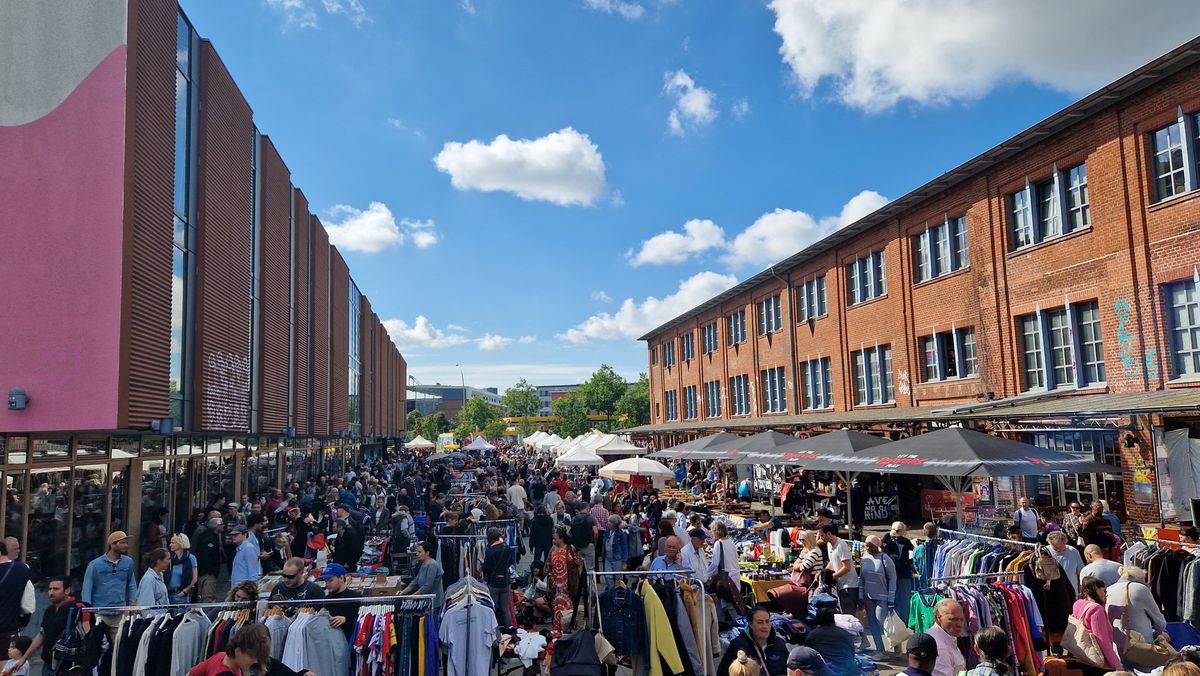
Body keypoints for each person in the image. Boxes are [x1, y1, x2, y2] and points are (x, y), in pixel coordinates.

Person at [82, 531, 136, 676]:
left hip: (120, 612)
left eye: (126, 542)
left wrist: (131, 606)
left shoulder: (128, 562)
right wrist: (89, 613)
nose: (126, 545)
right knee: (96, 648)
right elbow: (87, 590)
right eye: (122, 542)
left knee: (120, 649)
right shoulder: (94, 565)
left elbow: (131, 584)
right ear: (112, 544)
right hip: (100, 613)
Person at [10, 576, 90, 676]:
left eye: (56, 589)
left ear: (67, 590)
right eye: (50, 589)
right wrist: (23, 658)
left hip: (70, 666)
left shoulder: (78, 608)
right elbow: (41, 635)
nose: (51, 592)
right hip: (49, 664)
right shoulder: (50, 610)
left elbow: (88, 635)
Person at [1106, 566, 1169, 666]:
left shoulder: (1108, 590)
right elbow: (1159, 620)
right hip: (1140, 646)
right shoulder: (1140, 589)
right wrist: (1160, 631)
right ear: (1139, 578)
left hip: (1117, 647)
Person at [715, 606, 790, 676]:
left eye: (767, 621)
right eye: (760, 622)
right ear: (750, 624)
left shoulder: (779, 643)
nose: (765, 626)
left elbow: (788, 670)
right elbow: (722, 673)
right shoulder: (738, 644)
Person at [1069, 576, 1120, 672]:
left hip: (1083, 656)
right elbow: (1101, 639)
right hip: (1098, 661)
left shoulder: (1078, 604)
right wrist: (1116, 664)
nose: (1105, 593)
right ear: (1096, 590)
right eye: (1103, 590)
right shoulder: (1097, 609)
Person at [859, 535, 896, 656]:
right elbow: (862, 578)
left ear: (877, 545)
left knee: (883, 624)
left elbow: (892, 579)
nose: (867, 547)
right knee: (872, 624)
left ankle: (897, 647)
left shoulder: (884, 558)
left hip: (882, 598)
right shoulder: (864, 558)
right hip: (868, 597)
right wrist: (860, 595)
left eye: (870, 545)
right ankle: (880, 649)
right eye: (866, 545)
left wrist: (891, 599)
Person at [187, 621, 270, 676]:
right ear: (238, 651)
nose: (255, 661)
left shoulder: (221, 656)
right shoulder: (225, 673)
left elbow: (190, 673)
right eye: (252, 657)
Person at [800, 602, 858, 676]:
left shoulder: (813, 634)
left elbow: (807, 654)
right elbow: (852, 654)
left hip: (825, 671)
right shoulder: (845, 633)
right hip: (848, 670)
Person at [546, 526, 582, 632]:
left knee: (567, 606)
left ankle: (567, 628)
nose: (553, 541)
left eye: (555, 538)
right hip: (555, 584)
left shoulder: (570, 548)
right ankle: (559, 628)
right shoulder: (552, 550)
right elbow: (548, 566)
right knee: (557, 606)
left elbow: (579, 562)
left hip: (568, 583)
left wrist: (579, 578)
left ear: (561, 538)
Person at [818, 525, 859, 615]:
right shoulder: (829, 545)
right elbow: (832, 562)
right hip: (840, 586)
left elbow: (847, 567)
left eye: (822, 535)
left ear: (829, 533)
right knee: (843, 614)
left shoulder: (841, 545)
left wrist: (832, 577)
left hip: (849, 586)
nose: (820, 538)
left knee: (848, 617)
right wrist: (823, 573)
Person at [882, 521, 915, 624]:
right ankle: (904, 623)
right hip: (904, 576)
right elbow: (911, 558)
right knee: (905, 601)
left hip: (890, 575)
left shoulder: (887, 541)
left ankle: (894, 622)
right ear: (902, 531)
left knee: (893, 600)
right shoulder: (906, 542)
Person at [319, 563, 360, 642]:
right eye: (325, 581)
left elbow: (363, 621)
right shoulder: (326, 600)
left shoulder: (356, 598)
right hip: (331, 644)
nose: (327, 584)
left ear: (341, 578)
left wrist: (346, 619)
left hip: (350, 643)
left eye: (330, 580)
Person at [482, 527, 513, 627]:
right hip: (505, 581)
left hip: (494, 582)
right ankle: (509, 630)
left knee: (493, 608)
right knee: (505, 609)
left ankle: (495, 632)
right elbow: (510, 562)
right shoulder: (507, 547)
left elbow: (486, 567)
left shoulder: (490, 551)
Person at [927, 599, 965, 676]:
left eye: (961, 620)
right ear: (938, 618)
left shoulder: (948, 637)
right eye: (953, 619)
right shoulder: (939, 646)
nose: (959, 624)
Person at [400, 541, 444, 608]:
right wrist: (402, 592)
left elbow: (427, 586)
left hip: (434, 603)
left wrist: (412, 597)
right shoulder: (423, 564)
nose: (417, 554)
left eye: (420, 552)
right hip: (425, 601)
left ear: (427, 553)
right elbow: (416, 581)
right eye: (417, 551)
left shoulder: (433, 565)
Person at [194, 518, 225, 603]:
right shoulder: (210, 538)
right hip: (207, 573)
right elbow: (206, 555)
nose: (224, 526)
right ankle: (207, 615)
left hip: (202, 572)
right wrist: (212, 571)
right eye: (221, 524)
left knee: (201, 596)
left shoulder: (210, 536)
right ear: (216, 526)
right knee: (208, 597)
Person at [136, 548, 170, 612]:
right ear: (159, 561)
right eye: (168, 559)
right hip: (155, 620)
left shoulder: (160, 576)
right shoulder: (149, 579)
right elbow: (147, 607)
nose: (169, 561)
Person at [601, 515, 629, 583]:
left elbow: (625, 548)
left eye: (609, 522)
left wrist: (624, 562)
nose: (608, 523)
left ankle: (618, 592)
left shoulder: (622, 534)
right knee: (608, 576)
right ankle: (611, 591)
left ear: (614, 524)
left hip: (617, 559)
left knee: (618, 578)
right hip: (607, 558)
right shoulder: (606, 532)